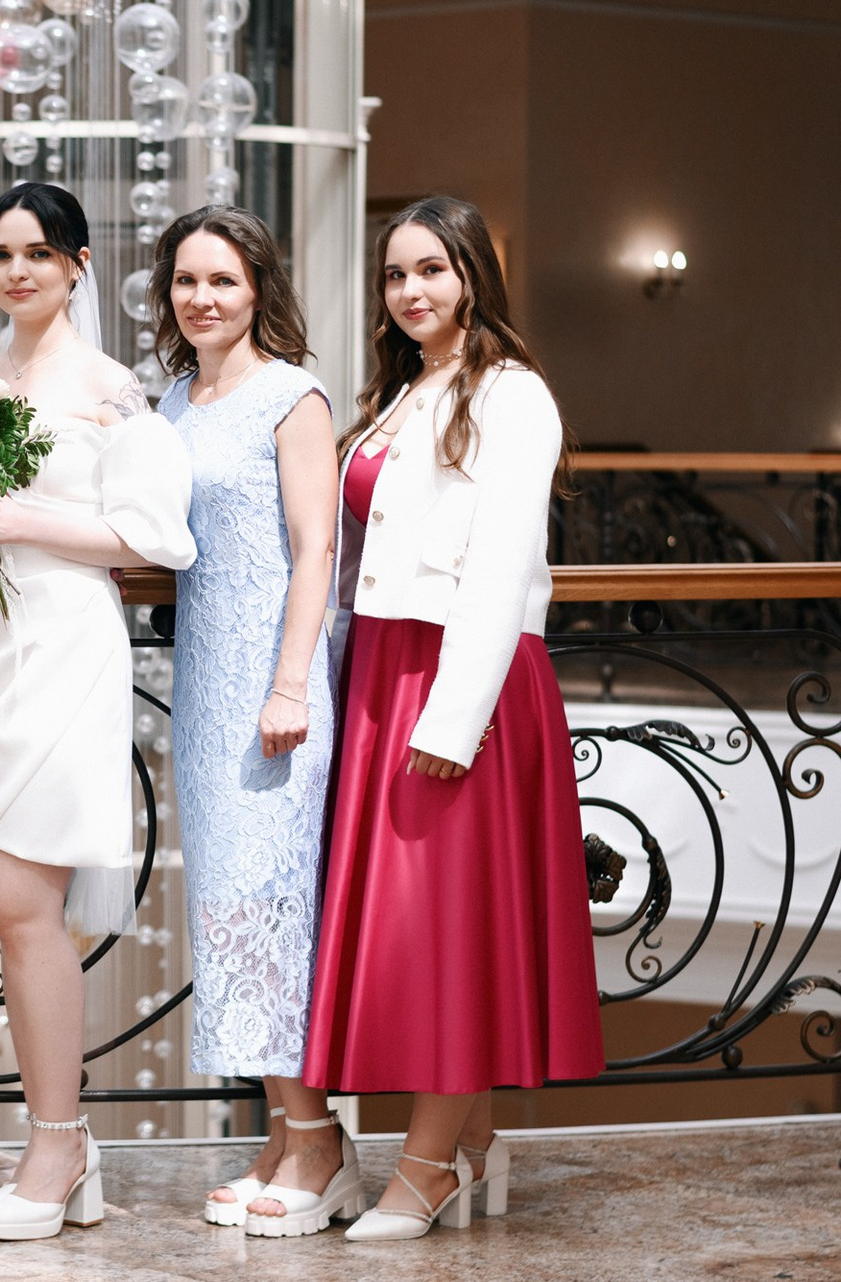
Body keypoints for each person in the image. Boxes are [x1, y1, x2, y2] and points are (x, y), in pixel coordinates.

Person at [303, 195, 606, 1241]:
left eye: (431, 268)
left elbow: (502, 564)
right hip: (383, 669)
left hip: (457, 681)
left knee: (444, 927)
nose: (411, 290)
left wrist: (452, 718)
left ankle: (426, 1168)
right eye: (396, 274)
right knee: (428, 922)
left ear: (474, 272)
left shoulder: (513, 393)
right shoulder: (401, 390)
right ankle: (472, 1147)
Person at [0, 183, 196, 1243]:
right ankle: (61, 1139)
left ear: (78, 265)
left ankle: (57, 1140)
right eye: (0, 254)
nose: (17, 271)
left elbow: (155, 537)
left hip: (69, 648)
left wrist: (24, 518)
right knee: (9, 902)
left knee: (27, 903)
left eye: (38, 252)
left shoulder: (117, 392)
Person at [151, 206, 354, 1237]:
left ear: (259, 288)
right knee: (232, 908)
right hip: (203, 686)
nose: (203, 298)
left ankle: (320, 1141)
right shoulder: (173, 398)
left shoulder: (292, 396)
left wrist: (290, 685)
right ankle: (284, 1131)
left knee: (273, 903)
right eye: (187, 280)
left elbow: (318, 549)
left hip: (275, 686)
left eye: (222, 280)